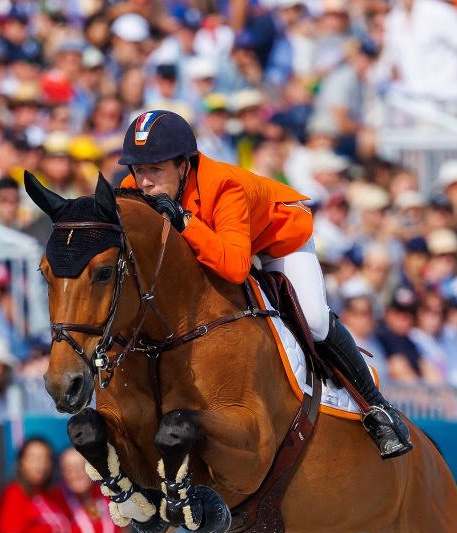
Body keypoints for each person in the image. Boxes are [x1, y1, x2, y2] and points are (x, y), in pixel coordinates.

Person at [115, 109, 412, 459]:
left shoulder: (224, 185)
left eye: (154, 169)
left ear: (183, 166)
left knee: (314, 321)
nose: (144, 181)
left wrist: (185, 221)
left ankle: (376, 409)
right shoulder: (133, 190)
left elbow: (237, 267)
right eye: (138, 169)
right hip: (224, 242)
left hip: (278, 239)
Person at [0, 437, 74, 533]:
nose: (40, 465)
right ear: (21, 462)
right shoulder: (14, 494)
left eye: (45, 458)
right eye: (33, 458)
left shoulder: (52, 495)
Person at [58, 446, 124, 533]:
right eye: (69, 469)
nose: (76, 474)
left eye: (81, 467)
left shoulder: (109, 495)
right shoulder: (57, 501)